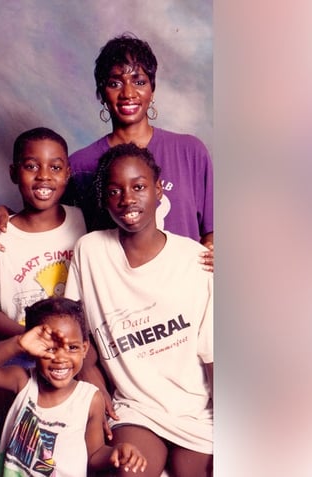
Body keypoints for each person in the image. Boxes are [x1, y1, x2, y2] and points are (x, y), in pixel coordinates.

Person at [0, 33, 214, 270]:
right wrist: (6, 214)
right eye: (115, 83)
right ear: (101, 94)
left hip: (185, 291)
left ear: (152, 89)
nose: (128, 93)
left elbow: (213, 231)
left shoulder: (189, 151)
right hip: (115, 296)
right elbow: (47, 223)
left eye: (139, 81)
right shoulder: (80, 165)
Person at [66, 143, 214, 477]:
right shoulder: (90, 251)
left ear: (159, 189)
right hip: (137, 408)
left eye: (139, 187)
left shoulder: (195, 259)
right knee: (130, 470)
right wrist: (93, 379)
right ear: (104, 198)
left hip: (196, 407)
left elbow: (215, 356)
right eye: (115, 190)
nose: (128, 199)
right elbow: (76, 331)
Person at [0, 127, 88, 470]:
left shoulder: (82, 221)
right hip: (16, 352)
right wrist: (25, 340)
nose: (43, 176)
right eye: (31, 166)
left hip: (71, 353)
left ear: (67, 173)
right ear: (13, 172)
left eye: (54, 167)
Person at [0, 297, 147, 476]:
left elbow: (94, 454)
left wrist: (115, 451)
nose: (61, 358)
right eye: (51, 349)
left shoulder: (90, 398)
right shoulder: (23, 381)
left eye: (72, 348)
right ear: (33, 348)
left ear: (84, 348)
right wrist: (18, 344)